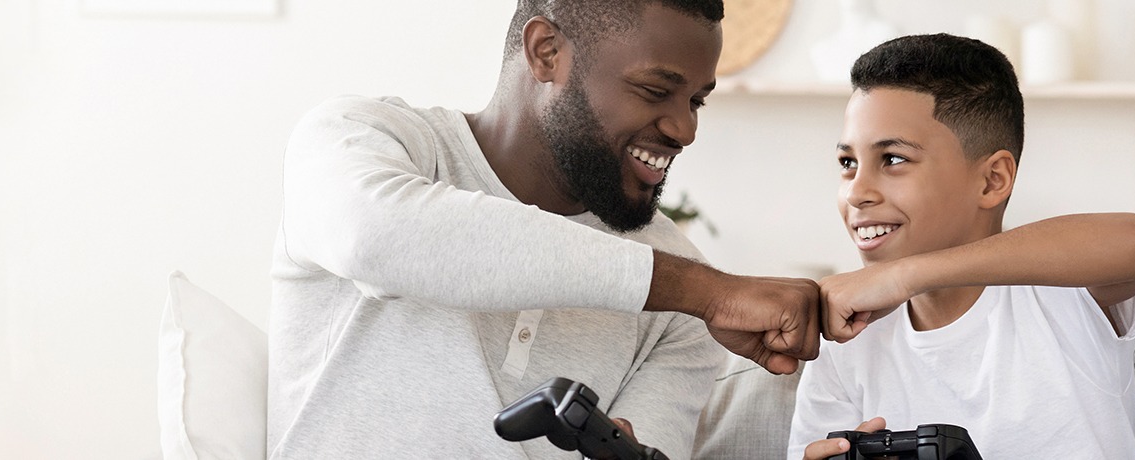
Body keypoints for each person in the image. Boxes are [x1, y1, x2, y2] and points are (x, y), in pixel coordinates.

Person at [269, 0, 821, 457]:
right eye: (656, 91)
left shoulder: (687, 304)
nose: (685, 129)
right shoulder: (368, 141)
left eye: (697, 101)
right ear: (546, 53)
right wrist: (709, 292)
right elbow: (373, 236)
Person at [787, 34, 1135, 460]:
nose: (857, 193)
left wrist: (902, 277)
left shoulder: (1066, 295)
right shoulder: (844, 341)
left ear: (992, 180)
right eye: (848, 163)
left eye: (892, 159)